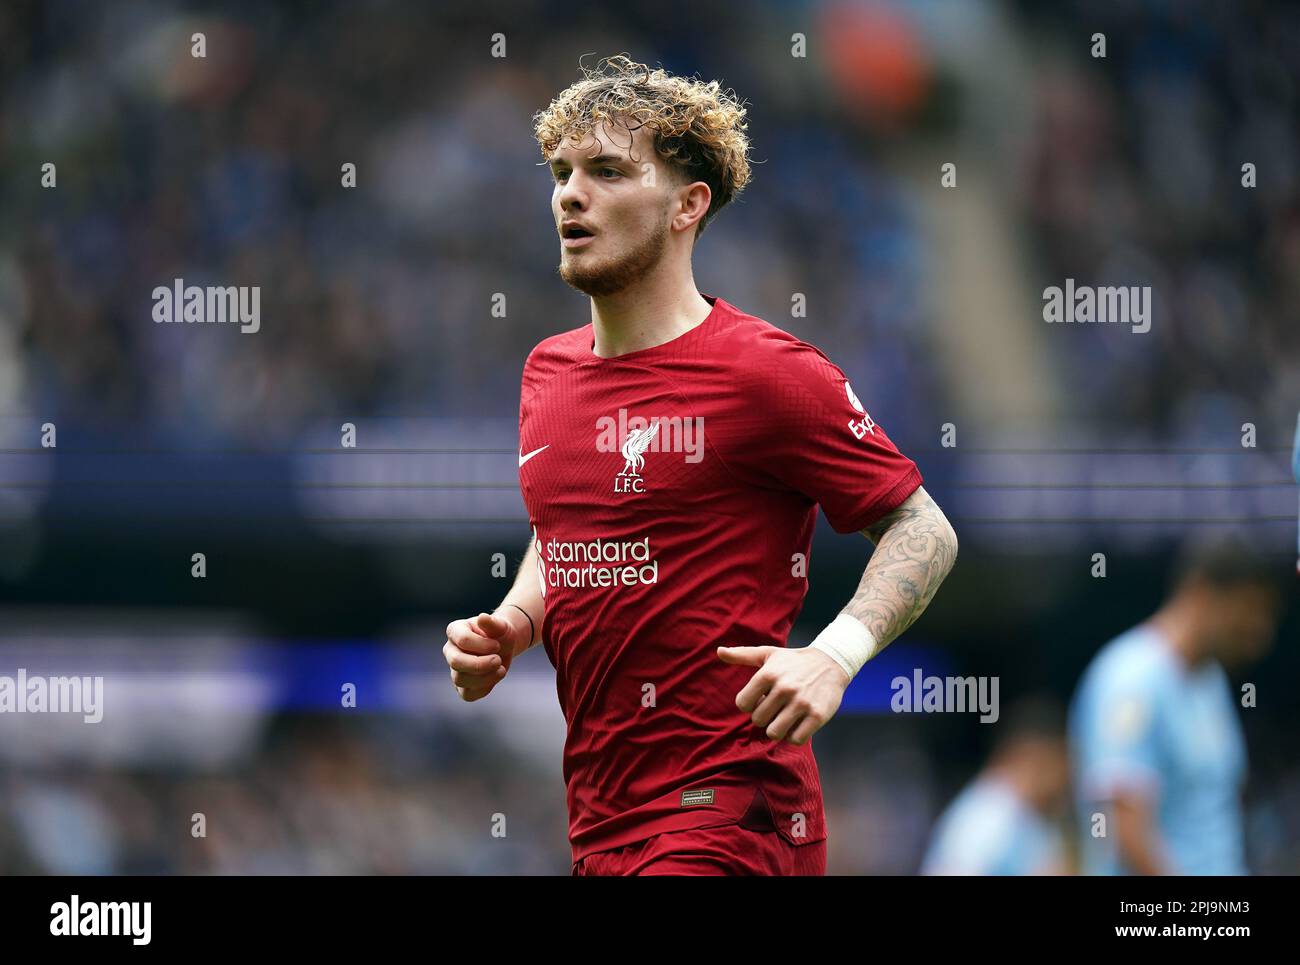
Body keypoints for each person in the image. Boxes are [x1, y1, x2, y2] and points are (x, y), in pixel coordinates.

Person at [443, 55, 958, 875]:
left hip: (729, 811)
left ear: (688, 205)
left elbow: (921, 525)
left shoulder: (768, 373)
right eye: (563, 172)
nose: (571, 194)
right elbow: (565, 526)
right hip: (603, 823)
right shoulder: (547, 372)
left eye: (608, 171)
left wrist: (836, 653)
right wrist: (515, 621)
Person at [1069, 534, 1281, 875]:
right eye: (1249, 611)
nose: (1259, 632)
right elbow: (1124, 828)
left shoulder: (1209, 679)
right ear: (1202, 592)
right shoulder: (1130, 680)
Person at [921, 698, 1071, 875]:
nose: (1063, 780)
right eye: (1059, 764)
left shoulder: (1025, 812)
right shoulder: (987, 815)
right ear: (1036, 756)